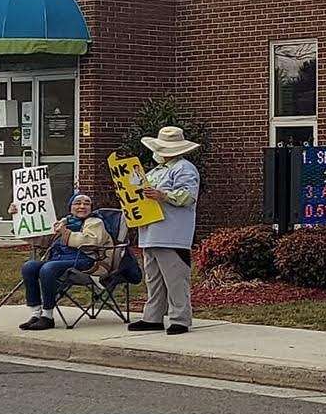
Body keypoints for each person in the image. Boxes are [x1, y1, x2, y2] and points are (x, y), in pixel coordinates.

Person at [127, 126, 201, 337]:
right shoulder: (156, 171)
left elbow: (188, 196)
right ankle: (153, 317)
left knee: (176, 279)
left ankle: (180, 319)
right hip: (150, 232)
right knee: (154, 279)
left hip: (173, 234)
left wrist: (163, 195)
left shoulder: (185, 169)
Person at [17, 192, 110, 330]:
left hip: (86, 261)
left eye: (86, 203)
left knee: (48, 268)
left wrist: (65, 233)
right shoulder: (63, 222)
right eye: (78, 203)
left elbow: (92, 241)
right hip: (59, 259)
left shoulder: (95, 222)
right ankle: (36, 314)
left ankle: (47, 316)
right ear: (70, 207)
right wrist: (18, 216)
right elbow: (42, 239)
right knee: (29, 266)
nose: (82, 206)